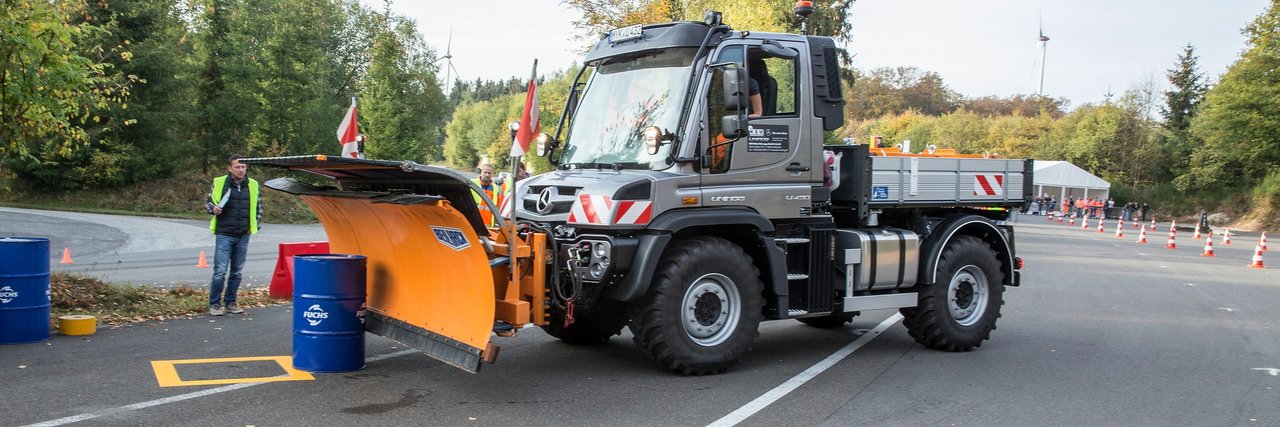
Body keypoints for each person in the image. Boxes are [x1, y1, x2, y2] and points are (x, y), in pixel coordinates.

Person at [204, 154, 262, 316]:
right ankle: (214, 304)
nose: (241, 170)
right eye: (237, 167)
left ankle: (231, 302)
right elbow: (208, 202)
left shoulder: (253, 185)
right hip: (224, 233)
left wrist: (254, 226)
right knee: (220, 271)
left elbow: (258, 207)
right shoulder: (219, 182)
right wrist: (213, 209)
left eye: (243, 167)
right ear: (230, 168)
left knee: (237, 272)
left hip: (243, 234)